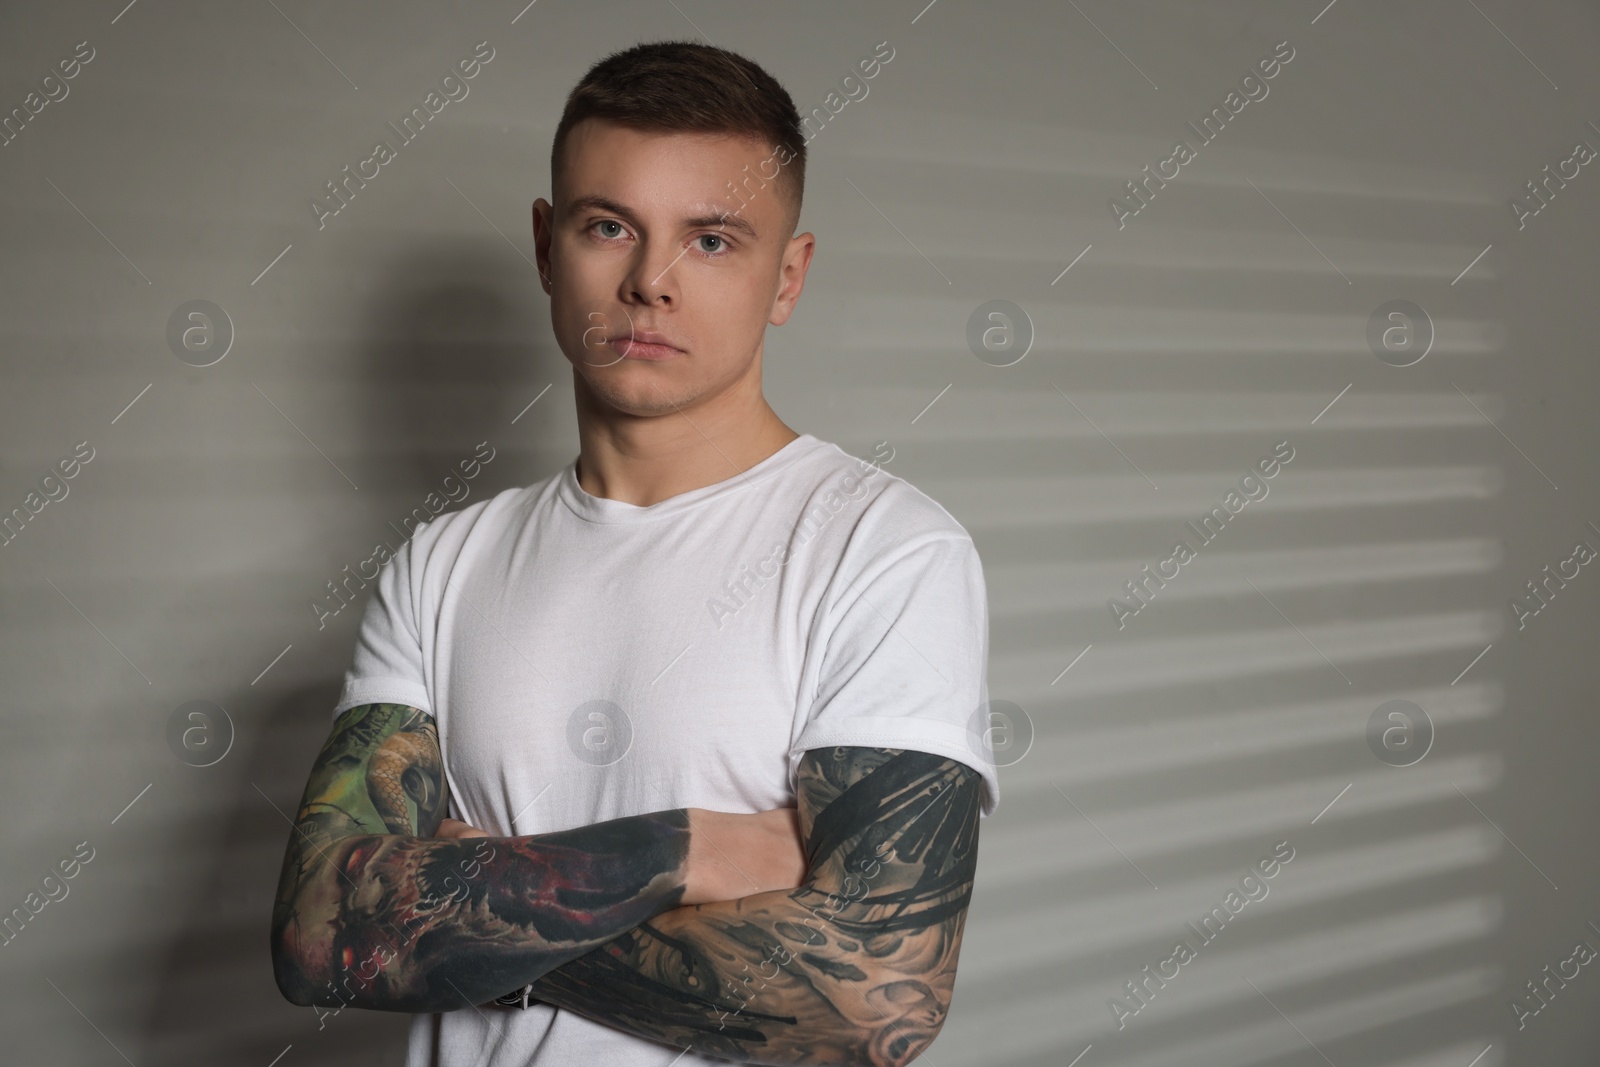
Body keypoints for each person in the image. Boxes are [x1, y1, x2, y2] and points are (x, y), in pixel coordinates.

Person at [269, 39, 1000, 1067]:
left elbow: (875, 999)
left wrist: (469, 912)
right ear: (544, 246)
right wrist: (689, 847)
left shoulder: (882, 550)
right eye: (608, 226)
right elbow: (317, 933)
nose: (649, 280)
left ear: (787, 277)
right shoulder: (441, 564)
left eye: (710, 240)